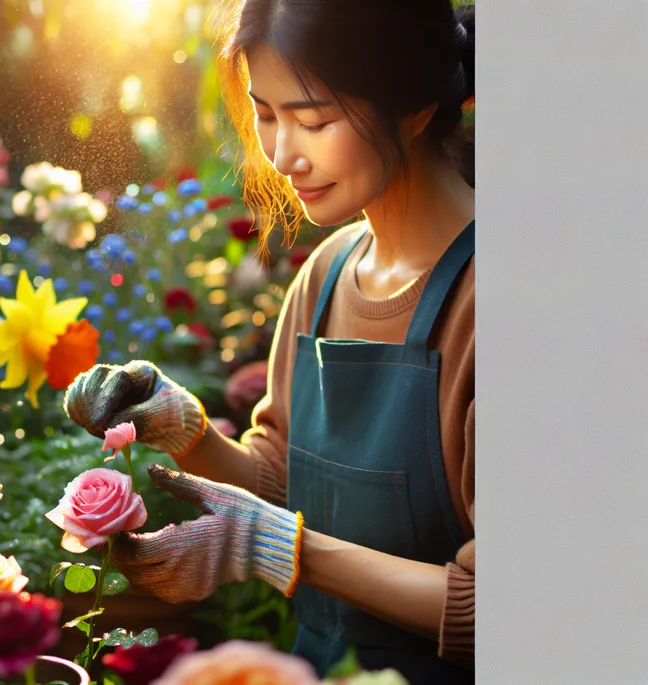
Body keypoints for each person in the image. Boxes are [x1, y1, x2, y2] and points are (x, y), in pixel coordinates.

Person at [63, 1, 476, 683]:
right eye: (267, 114)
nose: (283, 155)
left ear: (416, 107)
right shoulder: (327, 275)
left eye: (314, 119)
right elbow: (288, 482)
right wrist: (183, 427)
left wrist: (280, 547)